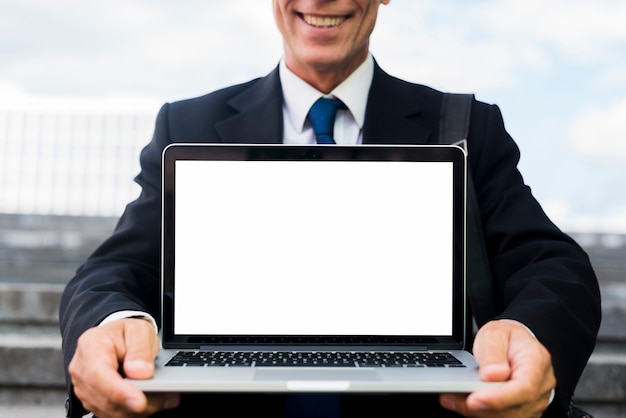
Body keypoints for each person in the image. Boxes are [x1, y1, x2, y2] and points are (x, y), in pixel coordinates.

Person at [59, 1, 601, 417]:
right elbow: (115, 268)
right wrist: (114, 323)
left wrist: (527, 333)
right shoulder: (188, 127)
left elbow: (551, 265)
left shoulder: (466, 127)